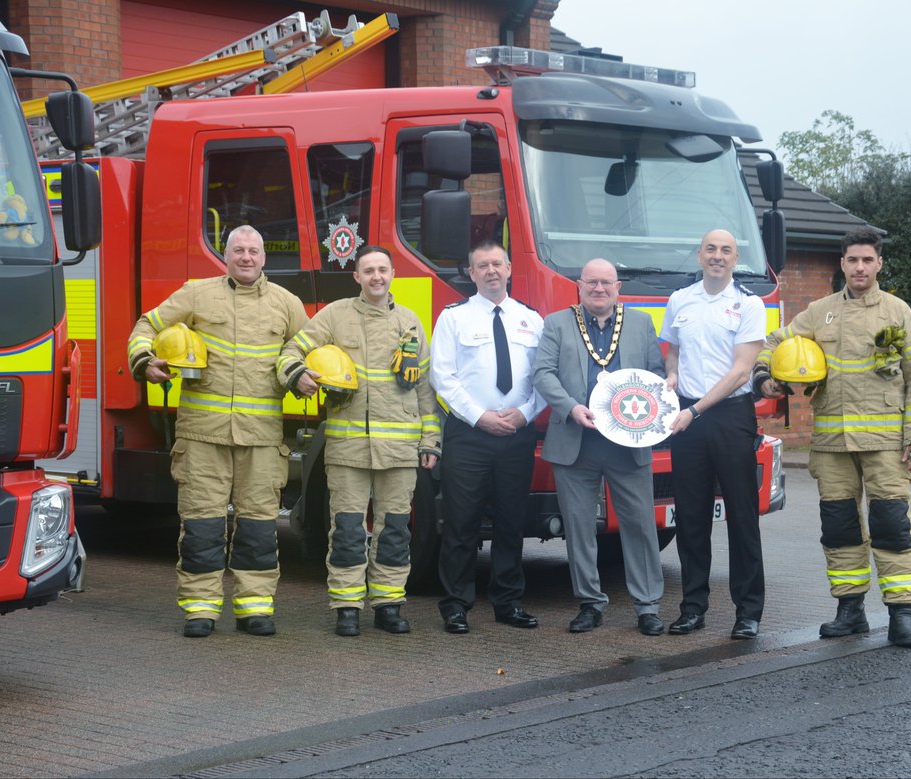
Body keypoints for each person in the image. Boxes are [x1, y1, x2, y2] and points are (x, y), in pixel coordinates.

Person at [754, 226, 911, 648]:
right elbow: (776, 341)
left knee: (891, 526)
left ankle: (902, 615)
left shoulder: (897, 312)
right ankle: (849, 611)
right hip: (833, 447)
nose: (859, 267)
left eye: (867, 260)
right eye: (852, 259)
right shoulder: (820, 313)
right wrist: (765, 376)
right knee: (839, 529)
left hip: (887, 444)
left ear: (879, 264)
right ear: (842, 264)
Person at [126, 225, 309, 638]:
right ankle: (200, 610)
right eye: (238, 250)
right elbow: (145, 326)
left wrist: (303, 375)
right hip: (202, 436)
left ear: (265, 258)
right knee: (203, 525)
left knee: (259, 527)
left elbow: (309, 347)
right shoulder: (196, 293)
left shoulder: (287, 304)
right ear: (225, 256)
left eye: (254, 251)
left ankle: (255, 609)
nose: (246, 257)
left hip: (262, 439)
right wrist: (144, 361)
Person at [278, 245, 441, 637]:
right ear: (356, 277)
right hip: (348, 449)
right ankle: (347, 606)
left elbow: (424, 390)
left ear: (392, 273)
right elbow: (291, 350)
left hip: (400, 451)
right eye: (368, 270)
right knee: (348, 529)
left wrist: (430, 440)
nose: (376, 277)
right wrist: (296, 374)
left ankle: (388, 604)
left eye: (382, 269)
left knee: (395, 530)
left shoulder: (410, 323)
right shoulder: (335, 316)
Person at [531, 258, 667, 636]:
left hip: (628, 444)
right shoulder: (557, 323)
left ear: (618, 287)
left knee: (640, 524)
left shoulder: (640, 324)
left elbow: (655, 375)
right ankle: (590, 603)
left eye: (606, 282)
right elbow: (542, 373)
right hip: (577, 441)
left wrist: (654, 406)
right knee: (578, 528)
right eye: (591, 282)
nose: (599, 289)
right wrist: (570, 407)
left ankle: (647, 606)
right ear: (579, 285)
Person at [429, 241, 546, 634]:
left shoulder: (531, 319)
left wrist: (524, 413)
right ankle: (456, 605)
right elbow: (441, 377)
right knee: (462, 523)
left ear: (510, 268)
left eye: (497, 263)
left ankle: (508, 602)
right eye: (483, 265)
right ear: (471, 273)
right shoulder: (453, 317)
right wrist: (480, 418)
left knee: (512, 523)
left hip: (517, 433)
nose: (491, 270)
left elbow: (545, 377)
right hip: (469, 435)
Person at [661, 229, 766, 641]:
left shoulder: (748, 304)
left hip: (728, 416)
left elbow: (742, 371)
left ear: (735, 259)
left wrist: (694, 410)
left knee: (742, 516)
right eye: (710, 249)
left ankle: (748, 611)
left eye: (725, 250)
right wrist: (671, 374)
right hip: (687, 415)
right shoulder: (679, 300)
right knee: (690, 516)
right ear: (699, 255)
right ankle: (692, 608)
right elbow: (673, 349)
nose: (717, 256)